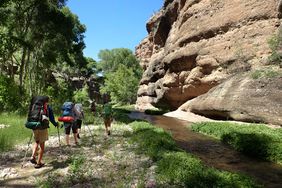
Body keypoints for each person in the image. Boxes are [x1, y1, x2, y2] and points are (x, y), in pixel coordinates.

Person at [29, 96, 58, 169]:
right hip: (42, 127)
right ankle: (38, 163)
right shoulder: (47, 107)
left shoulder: (35, 106)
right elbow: (51, 118)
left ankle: (33, 156)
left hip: (34, 126)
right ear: (46, 101)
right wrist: (55, 124)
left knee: (36, 141)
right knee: (42, 145)